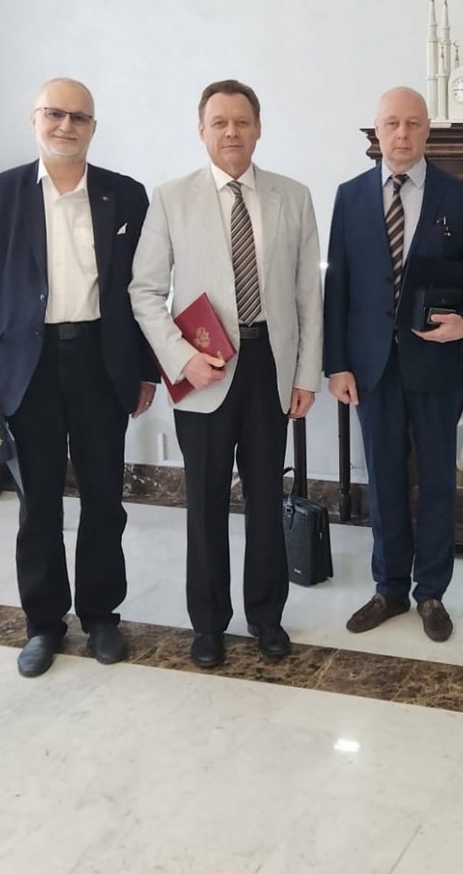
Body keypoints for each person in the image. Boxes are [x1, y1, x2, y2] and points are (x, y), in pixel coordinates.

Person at [0, 77, 157, 678]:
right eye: (55, 113)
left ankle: (101, 615)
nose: (66, 125)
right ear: (35, 119)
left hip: (101, 362)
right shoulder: (1, 194)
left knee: (105, 499)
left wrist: (146, 370)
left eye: (79, 117)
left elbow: (145, 291)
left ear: (93, 127)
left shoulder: (126, 195)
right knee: (38, 503)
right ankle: (43, 624)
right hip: (27, 369)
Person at [129, 79, 322, 669]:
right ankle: (208, 623)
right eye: (220, 122)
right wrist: (179, 358)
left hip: (269, 365)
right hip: (203, 367)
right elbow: (145, 291)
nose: (231, 132)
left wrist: (306, 374)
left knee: (266, 498)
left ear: (258, 128)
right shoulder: (171, 198)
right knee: (205, 502)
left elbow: (308, 295)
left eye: (242, 121)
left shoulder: (293, 196)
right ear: (202, 130)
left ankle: (266, 616)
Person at [323, 87, 463, 642]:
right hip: (371, 366)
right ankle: (389, 587)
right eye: (391, 123)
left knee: (438, 479)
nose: (401, 133)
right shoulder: (349, 197)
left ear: (427, 130)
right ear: (376, 130)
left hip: (438, 363)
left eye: (413, 123)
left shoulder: (460, 197)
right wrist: (337, 364)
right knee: (384, 478)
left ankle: (431, 592)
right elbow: (338, 285)